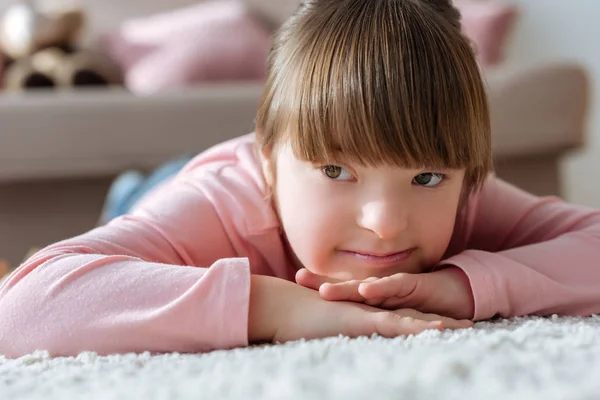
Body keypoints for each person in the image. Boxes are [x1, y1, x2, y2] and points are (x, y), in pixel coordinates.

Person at [2, 0, 600, 359]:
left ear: (464, 172)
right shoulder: (223, 202)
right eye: (336, 170)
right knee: (113, 228)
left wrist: (468, 285)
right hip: (172, 186)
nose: (386, 221)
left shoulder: (459, 192)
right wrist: (277, 309)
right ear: (271, 162)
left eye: (424, 177)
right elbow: (22, 309)